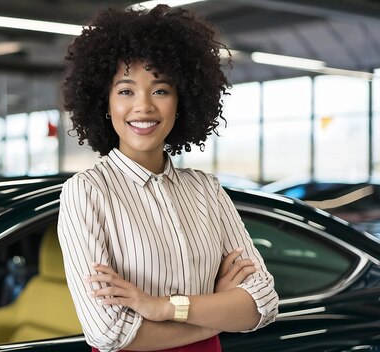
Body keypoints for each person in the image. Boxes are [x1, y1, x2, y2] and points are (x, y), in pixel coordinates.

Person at [57, 4, 278, 352]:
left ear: (181, 101)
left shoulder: (207, 189)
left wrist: (161, 307)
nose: (144, 106)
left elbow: (262, 304)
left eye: (161, 90)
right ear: (105, 102)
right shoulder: (86, 192)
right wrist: (216, 312)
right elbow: (107, 332)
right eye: (126, 91)